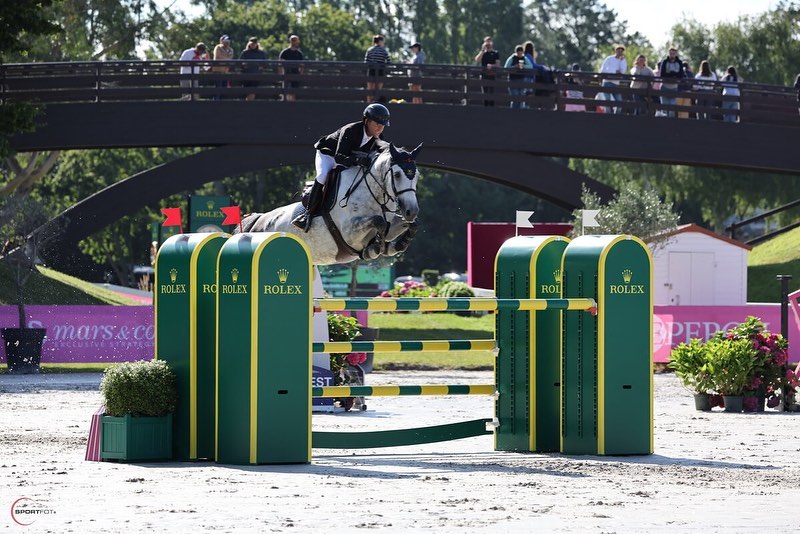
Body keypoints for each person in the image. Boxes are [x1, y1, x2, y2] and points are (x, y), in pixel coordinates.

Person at [292, 103, 391, 231]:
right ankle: (307, 215)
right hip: (328, 155)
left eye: (382, 125)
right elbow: (339, 157)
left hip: (347, 160)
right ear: (366, 121)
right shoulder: (350, 130)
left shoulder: (377, 138)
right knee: (323, 176)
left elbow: (383, 151)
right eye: (377, 124)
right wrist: (358, 160)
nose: (379, 128)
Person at [658, 47, 686, 118]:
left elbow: (681, 75)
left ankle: (670, 125)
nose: (672, 55)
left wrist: (671, 73)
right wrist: (673, 75)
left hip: (674, 88)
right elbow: (662, 74)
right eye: (671, 53)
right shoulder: (664, 62)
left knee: (672, 109)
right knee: (664, 108)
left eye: (673, 53)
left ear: (675, 54)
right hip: (664, 87)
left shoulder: (679, 62)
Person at [599, 44, 627, 114]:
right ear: (615, 50)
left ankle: (615, 116)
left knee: (619, 102)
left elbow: (623, 71)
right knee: (607, 101)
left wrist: (622, 61)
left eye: (621, 51)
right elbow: (603, 70)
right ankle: (608, 116)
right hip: (607, 82)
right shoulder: (609, 59)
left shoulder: (623, 61)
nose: (620, 52)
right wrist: (615, 71)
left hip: (616, 84)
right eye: (618, 50)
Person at [475, 36, 500, 106]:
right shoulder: (483, 53)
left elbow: (498, 65)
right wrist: (482, 50)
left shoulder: (495, 53)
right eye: (486, 42)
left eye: (489, 41)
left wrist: (492, 66)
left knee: (492, 94)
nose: (488, 43)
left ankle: (492, 110)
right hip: (484, 75)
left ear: (492, 43)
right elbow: (477, 60)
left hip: (492, 76)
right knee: (484, 94)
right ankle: (485, 110)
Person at [365, 34, 390, 103]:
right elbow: (388, 61)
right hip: (380, 72)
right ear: (380, 41)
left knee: (370, 90)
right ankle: (377, 104)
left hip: (371, 71)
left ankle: (369, 104)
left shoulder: (370, 50)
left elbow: (366, 62)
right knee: (378, 90)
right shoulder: (384, 51)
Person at [278, 34, 304, 102]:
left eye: (297, 41)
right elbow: (280, 63)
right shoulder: (285, 52)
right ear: (291, 41)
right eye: (295, 41)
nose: (297, 42)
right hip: (286, 73)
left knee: (293, 92)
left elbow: (302, 65)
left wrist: (300, 74)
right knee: (285, 92)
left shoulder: (299, 53)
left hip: (295, 74)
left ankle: (292, 106)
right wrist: (280, 74)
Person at [211, 35, 234, 100]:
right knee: (218, 88)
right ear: (221, 41)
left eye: (228, 41)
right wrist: (227, 59)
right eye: (225, 41)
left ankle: (222, 102)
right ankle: (216, 102)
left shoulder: (230, 49)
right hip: (218, 71)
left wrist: (226, 60)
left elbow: (231, 58)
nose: (227, 42)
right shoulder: (218, 47)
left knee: (224, 88)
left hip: (226, 71)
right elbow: (217, 58)